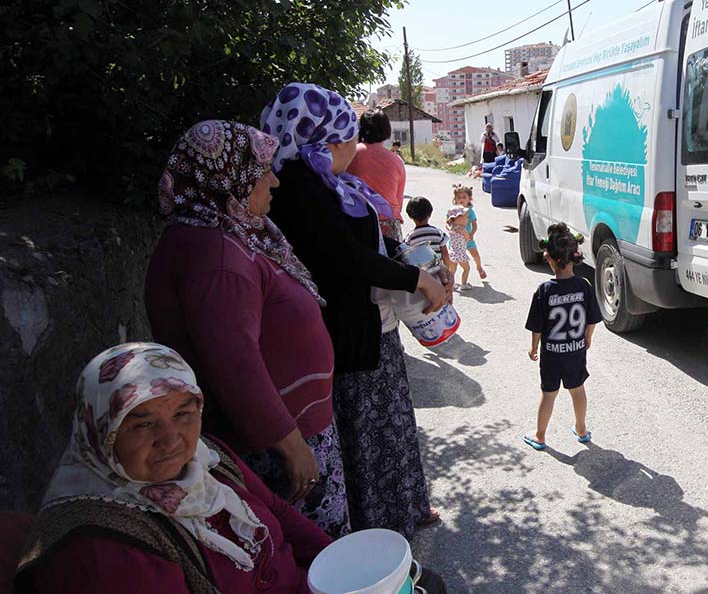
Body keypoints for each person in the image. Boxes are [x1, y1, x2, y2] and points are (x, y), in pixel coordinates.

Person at [144, 120, 350, 537]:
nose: (274, 181)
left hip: (288, 432)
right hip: (272, 448)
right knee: (310, 552)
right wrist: (291, 446)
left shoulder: (226, 233)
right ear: (229, 180)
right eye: (262, 173)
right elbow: (234, 365)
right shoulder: (215, 256)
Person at [262, 82, 447, 537]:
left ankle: (401, 511)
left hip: (361, 325)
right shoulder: (303, 189)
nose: (350, 146)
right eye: (344, 135)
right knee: (371, 435)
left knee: (386, 427)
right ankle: (383, 527)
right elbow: (343, 257)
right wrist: (414, 277)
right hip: (345, 333)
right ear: (325, 139)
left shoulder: (316, 182)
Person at [17, 343, 333, 592]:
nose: (170, 440)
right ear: (101, 433)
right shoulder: (99, 546)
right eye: (142, 425)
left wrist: (342, 564)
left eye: (183, 414)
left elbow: (278, 511)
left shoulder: (207, 455)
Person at [523, 224, 602, 450]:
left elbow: (537, 326)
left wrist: (533, 347)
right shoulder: (584, 286)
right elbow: (592, 318)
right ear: (574, 257)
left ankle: (540, 435)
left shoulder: (544, 290)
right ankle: (581, 429)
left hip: (552, 354)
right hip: (576, 351)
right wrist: (587, 337)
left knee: (548, 394)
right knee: (577, 390)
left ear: (548, 257)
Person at [346, 108, 407, 240]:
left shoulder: (350, 154)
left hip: (357, 221)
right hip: (389, 223)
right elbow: (398, 202)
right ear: (387, 129)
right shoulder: (397, 160)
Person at [405, 195, 453, 267]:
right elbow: (445, 254)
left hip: (422, 274)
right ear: (430, 214)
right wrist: (448, 270)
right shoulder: (438, 233)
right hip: (439, 271)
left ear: (410, 216)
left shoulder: (410, 237)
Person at [453, 184, 488, 279]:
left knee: (475, 254)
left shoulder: (470, 211)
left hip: (467, 238)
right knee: (454, 261)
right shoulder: (453, 210)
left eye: (464, 197)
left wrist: (471, 234)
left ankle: (479, 267)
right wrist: (449, 230)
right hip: (456, 240)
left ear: (469, 199)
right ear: (455, 199)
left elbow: (474, 225)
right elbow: (448, 222)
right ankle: (452, 279)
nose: (461, 199)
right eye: (459, 197)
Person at [445, 206, 473, 287]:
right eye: (467, 218)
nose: (468, 220)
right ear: (460, 219)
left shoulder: (452, 228)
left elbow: (447, 225)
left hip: (452, 253)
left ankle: (451, 284)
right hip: (460, 253)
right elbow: (468, 238)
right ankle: (464, 284)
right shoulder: (461, 229)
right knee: (466, 269)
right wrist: (469, 235)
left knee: (453, 270)